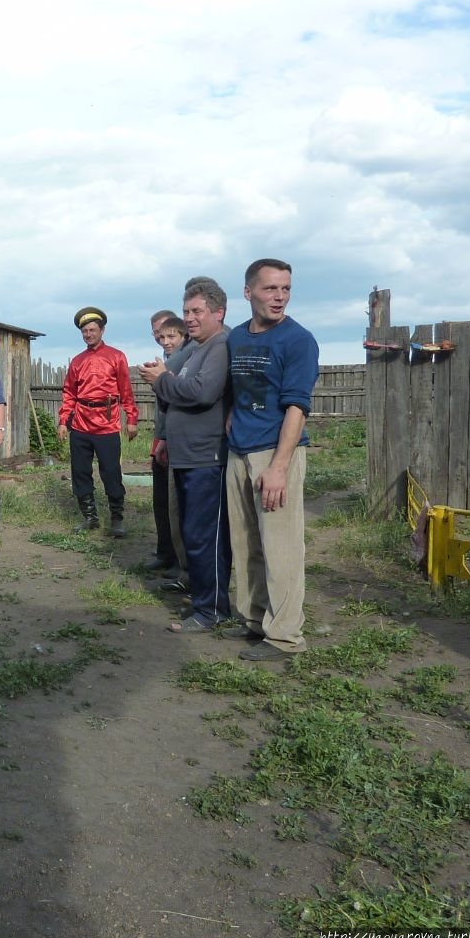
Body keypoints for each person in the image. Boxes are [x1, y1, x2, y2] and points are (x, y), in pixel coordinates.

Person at [224, 259, 319, 662]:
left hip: (275, 452)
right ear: (248, 292)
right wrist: (231, 413)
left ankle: (284, 636)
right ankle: (255, 618)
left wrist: (279, 467)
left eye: (286, 289)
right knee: (245, 541)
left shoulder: (298, 340)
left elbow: (297, 407)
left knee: (281, 546)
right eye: (270, 289)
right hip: (239, 450)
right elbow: (236, 386)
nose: (279, 297)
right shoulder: (237, 338)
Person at [140, 280, 232, 632]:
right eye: (186, 312)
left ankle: (212, 610)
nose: (189, 319)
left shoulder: (219, 347)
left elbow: (201, 392)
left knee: (205, 534)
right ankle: (204, 602)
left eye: (197, 312)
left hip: (206, 457)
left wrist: (162, 380)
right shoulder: (196, 349)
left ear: (218, 313)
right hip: (186, 455)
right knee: (192, 531)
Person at [57, 307, 138, 537]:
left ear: (102, 330)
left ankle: (117, 518)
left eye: (92, 330)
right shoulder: (77, 361)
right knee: (80, 471)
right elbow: (69, 393)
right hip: (81, 423)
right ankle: (90, 517)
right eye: (85, 331)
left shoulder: (116, 357)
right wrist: (64, 421)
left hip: (107, 423)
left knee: (111, 471)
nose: (88, 334)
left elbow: (126, 391)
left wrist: (131, 418)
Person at [146, 309, 181, 572]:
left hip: (180, 440)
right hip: (163, 435)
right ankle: (165, 551)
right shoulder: (165, 360)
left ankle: (180, 559)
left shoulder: (183, 359)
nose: (160, 337)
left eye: (165, 332)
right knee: (161, 499)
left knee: (177, 502)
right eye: (157, 333)